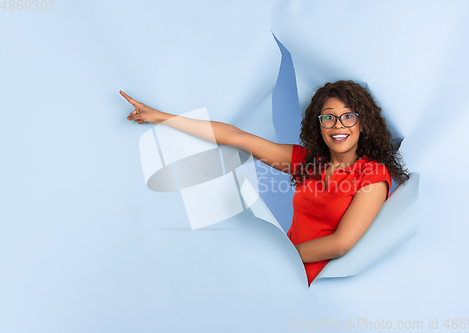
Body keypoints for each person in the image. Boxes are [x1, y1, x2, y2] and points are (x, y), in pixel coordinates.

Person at [121, 80, 409, 286]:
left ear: (363, 123)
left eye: (348, 117)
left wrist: (279, 261)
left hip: (321, 284)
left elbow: (340, 244)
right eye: (329, 118)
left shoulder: (372, 174)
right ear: (318, 124)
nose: (338, 126)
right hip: (281, 277)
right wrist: (160, 117)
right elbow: (237, 138)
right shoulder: (307, 161)